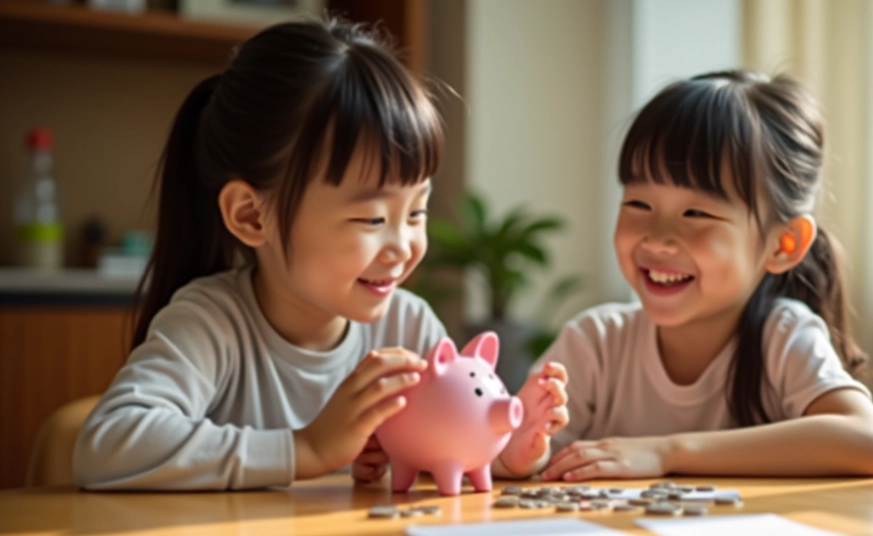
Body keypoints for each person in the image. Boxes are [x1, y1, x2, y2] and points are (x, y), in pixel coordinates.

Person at [73, 19, 567, 491]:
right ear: (251, 216)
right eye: (372, 219)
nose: (402, 246)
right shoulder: (212, 324)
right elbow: (106, 446)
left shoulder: (408, 326)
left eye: (417, 212)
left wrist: (512, 445)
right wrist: (305, 448)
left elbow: (456, 445)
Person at [539, 70, 873, 482]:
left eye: (696, 213)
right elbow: (512, 453)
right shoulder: (594, 344)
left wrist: (667, 451)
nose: (658, 240)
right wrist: (516, 447)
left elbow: (868, 442)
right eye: (638, 203)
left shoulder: (782, 338)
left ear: (783, 244)